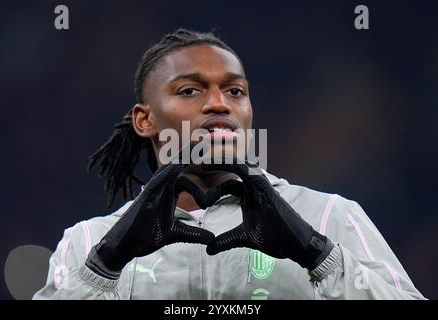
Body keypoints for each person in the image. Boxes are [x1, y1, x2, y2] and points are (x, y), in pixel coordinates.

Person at [33, 28, 425, 300]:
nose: (219, 103)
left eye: (235, 91)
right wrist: (105, 265)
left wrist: (317, 254)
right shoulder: (88, 243)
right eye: (190, 90)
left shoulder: (330, 217)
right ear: (145, 119)